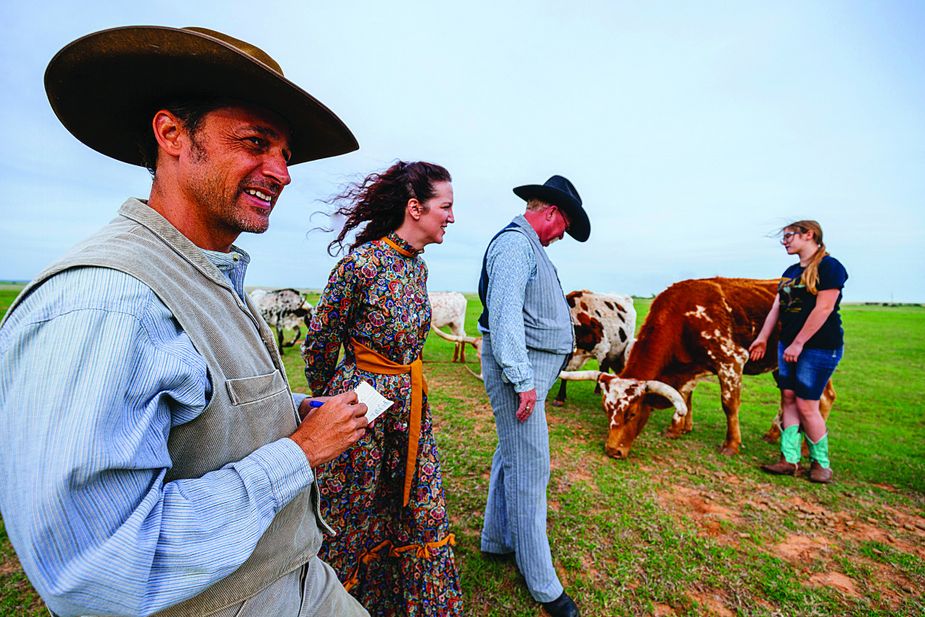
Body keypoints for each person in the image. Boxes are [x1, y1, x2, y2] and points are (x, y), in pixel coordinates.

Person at [0, 26, 372, 617]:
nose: (282, 172)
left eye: (286, 154)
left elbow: (197, 416)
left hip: (297, 580)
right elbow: (98, 569)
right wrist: (299, 453)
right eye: (256, 142)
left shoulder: (210, 275)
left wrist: (285, 412)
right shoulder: (107, 301)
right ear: (172, 134)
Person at [301, 161, 464, 616]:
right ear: (415, 208)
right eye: (445, 207)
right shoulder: (360, 265)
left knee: (414, 505)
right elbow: (320, 343)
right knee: (353, 512)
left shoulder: (420, 269)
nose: (451, 217)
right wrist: (330, 404)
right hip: (361, 408)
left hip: (410, 407)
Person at [477, 175, 590, 617]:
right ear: (551, 213)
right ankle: (543, 584)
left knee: (512, 456)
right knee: (531, 468)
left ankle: (497, 540)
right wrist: (522, 379)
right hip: (520, 377)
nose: (562, 235)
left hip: (529, 373)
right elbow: (504, 316)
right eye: (564, 225)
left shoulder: (529, 246)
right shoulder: (515, 245)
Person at [749, 220, 848, 484]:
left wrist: (799, 343)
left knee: (806, 404)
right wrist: (762, 338)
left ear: (809, 235)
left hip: (819, 346)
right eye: (784, 238)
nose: (785, 241)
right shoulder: (791, 271)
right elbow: (776, 308)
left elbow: (824, 309)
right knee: (788, 398)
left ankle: (820, 464)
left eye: (789, 236)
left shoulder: (830, 267)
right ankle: (789, 460)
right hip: (789, 344)